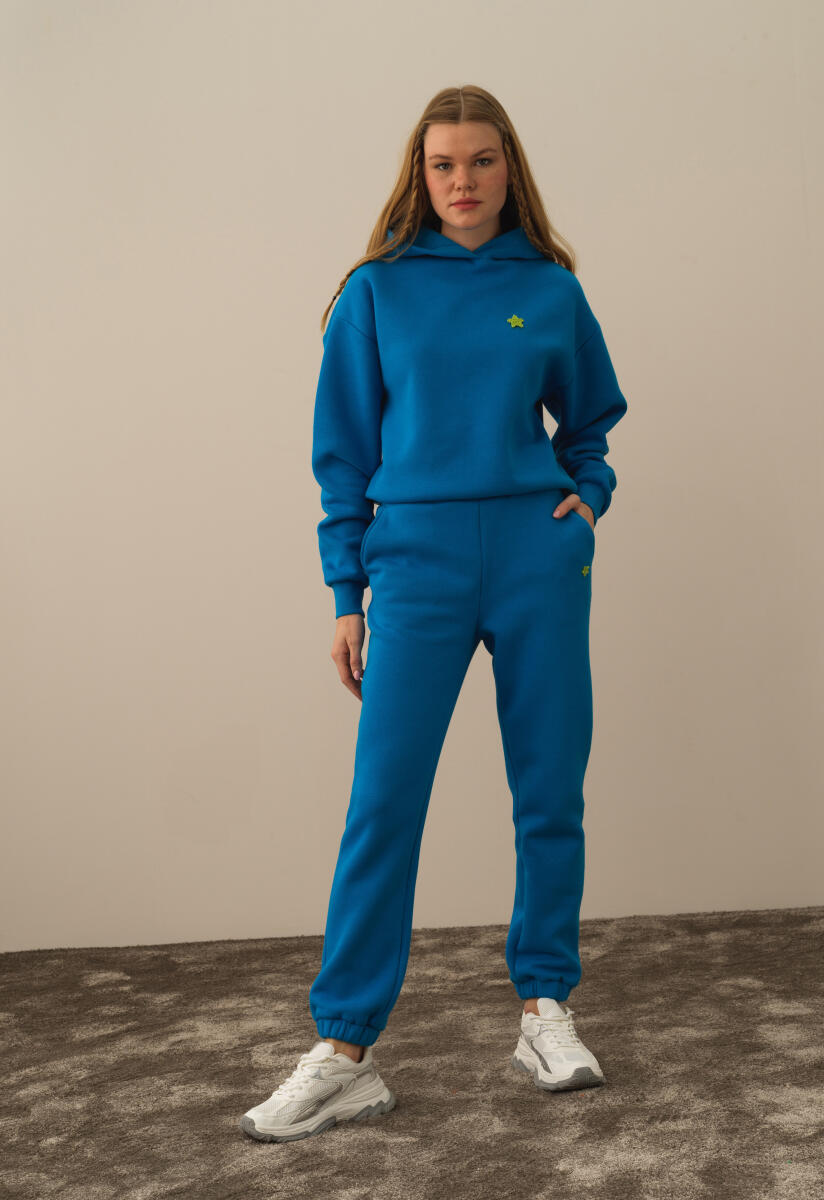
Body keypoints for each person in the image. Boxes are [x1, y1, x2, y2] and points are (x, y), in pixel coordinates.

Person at [240, 83, 627, 1143]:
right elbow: (342, 454)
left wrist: (586, 500)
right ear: (421, 174)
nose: (463, 181)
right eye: (444, 164)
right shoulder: (375, 291)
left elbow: (591, 420)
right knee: (385, 801)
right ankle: (345, 1050)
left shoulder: (550, 287)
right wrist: (346, 593)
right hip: (415, 563)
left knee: (549, 789)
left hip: (538, 558)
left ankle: (545, 1009)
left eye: (482, 161)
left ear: (511, 169)